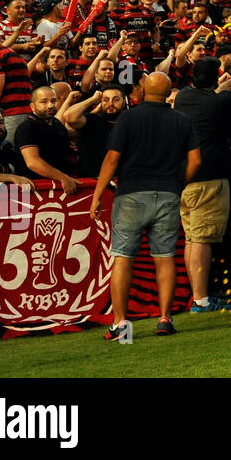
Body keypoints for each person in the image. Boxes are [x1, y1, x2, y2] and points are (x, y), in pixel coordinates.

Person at [90, 72, 200, 340]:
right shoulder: (182, 119)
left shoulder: (128, 117)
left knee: (123, 257)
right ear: (168, 91)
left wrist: (97, 195)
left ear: (141, 90)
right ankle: (164, 318)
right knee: (164, 258)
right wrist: (178, 184)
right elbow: (196, 161)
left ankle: (120, 324)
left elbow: (112, 159)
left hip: (131, 193)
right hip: (167, 193)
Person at [173, 57, 231, 312]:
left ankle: (198, 296)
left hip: (187, 181)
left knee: (192, 239)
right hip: (210, 180)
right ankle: (200, 299)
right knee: (202, 240)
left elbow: (219, 94)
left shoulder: (183, 98)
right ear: (216, 78)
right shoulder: (219, 102)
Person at [13, 87, 79, 194]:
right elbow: (32, 162)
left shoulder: (57, 124)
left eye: (53, 101)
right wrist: (63, 178)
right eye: (44, 101)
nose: (50, 105)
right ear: (32, 106)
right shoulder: (27, 128)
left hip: (62, 187)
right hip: (36, 190)